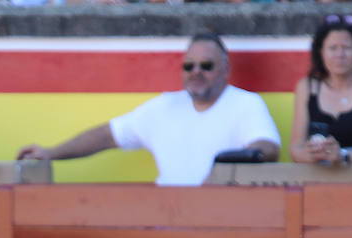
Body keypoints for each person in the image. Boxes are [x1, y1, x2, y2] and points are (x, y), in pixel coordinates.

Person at [17, 35, 280, 186]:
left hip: (225, 218)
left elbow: (267, 148)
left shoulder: (246, 103)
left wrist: (225, 162)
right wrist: (50, 153)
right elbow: (107, 136)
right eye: (189, 66)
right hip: (165, 216)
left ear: (225, 69)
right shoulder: (163, 106)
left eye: (206, 65)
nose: (196, 72)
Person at [289, 15, 352, 166]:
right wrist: (312, 155)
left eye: (347, 48)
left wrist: (343, 156)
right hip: (320, 177)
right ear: (320, 52)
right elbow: (295, 149)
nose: (340, 55)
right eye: (332, 48)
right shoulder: (306, 87)